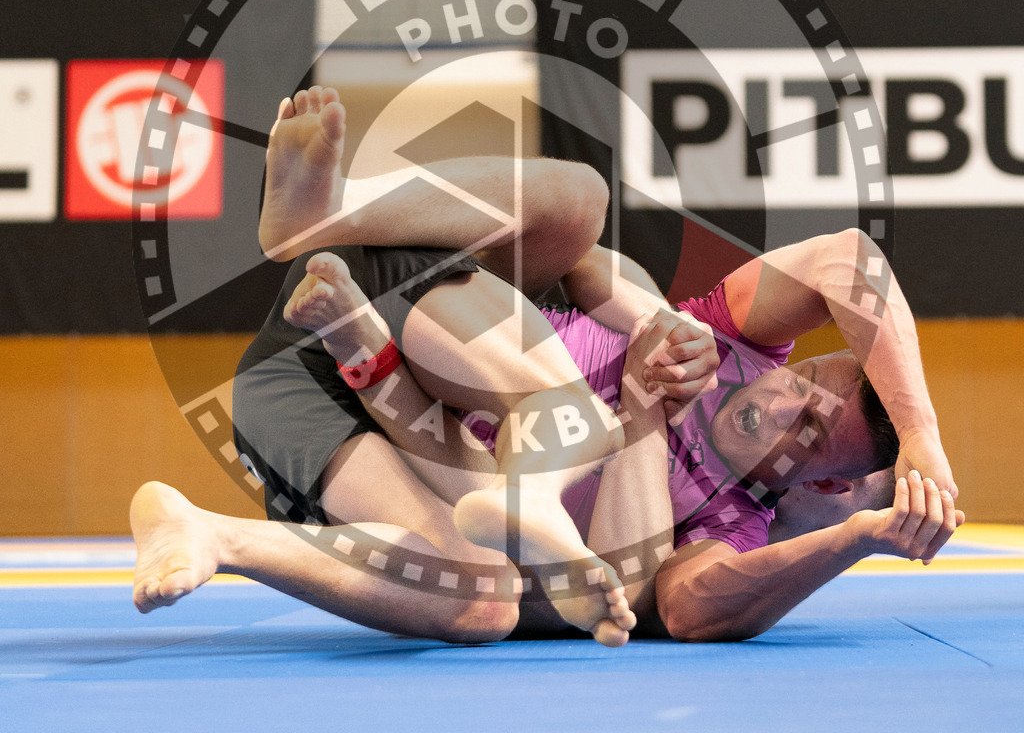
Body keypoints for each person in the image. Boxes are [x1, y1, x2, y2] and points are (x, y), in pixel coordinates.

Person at [131, 87, 961, 645]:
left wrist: (855, 537)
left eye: (810, 432)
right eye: (807, 383)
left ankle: (209, 531)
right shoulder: (724, 340)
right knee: (580, 203)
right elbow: (842, 257)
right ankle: (320, 216)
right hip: (416, 303)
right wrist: (655, 327)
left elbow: (689, 604)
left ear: (815, 486)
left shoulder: (727, 523)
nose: (786, 403)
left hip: (355, 406)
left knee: (483, 599)